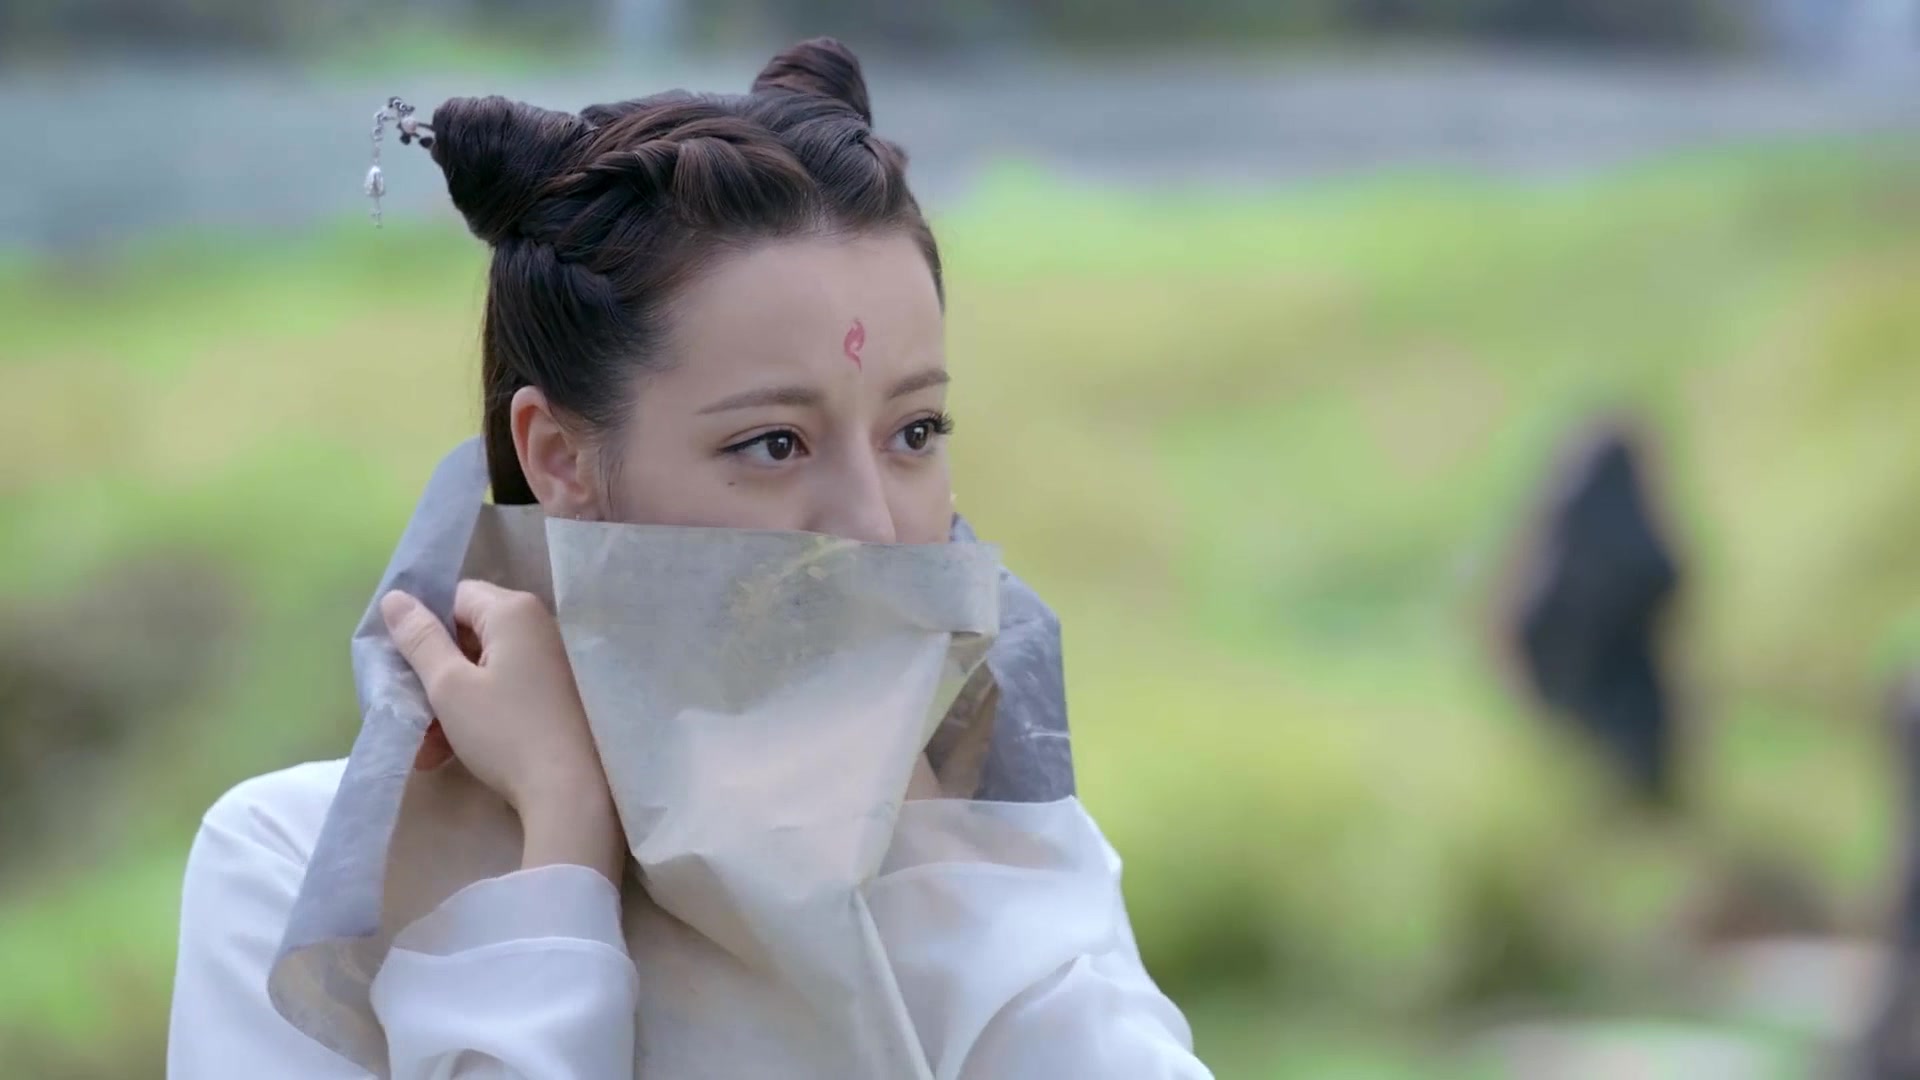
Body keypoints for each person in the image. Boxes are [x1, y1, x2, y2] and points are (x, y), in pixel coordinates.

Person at [167, 37, 1209, 1079]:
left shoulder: (1001, 855)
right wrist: (562, 842)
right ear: (560, 457)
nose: (877, 528)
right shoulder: (299, 870)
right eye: (774, 444)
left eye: (915, 432)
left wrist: (942, 864)